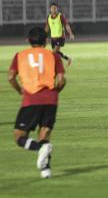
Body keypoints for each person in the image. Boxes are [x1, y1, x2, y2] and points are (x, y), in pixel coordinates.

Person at [8, 27, 67, 178]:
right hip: (51, 100)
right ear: (46, 41)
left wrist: (20, 90)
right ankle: (46, 170)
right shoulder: (54, 56)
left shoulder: (20, 55)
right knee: (45, 134)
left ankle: (38, 149)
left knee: (19, 137)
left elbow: (10, 77)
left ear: (28, 40)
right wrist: (54, 93)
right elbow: (61, 80)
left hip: (31, 99)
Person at [44, 2, 75, 67]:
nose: (53, 10)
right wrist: (44, 36)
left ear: (57, 9)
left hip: (60, 37)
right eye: (52, 8)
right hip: (53, 38)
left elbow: (66, 25)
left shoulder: (60, 16)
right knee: (56, 53)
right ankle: (68, 59)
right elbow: (47, 27)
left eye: (55, 8)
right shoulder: (49, 17)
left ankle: (51, 66)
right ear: (50, 9)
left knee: (54, 52)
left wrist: (70, 33)